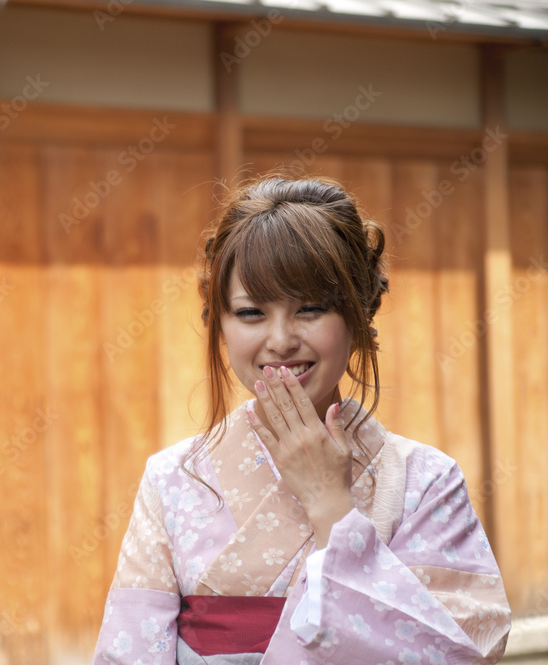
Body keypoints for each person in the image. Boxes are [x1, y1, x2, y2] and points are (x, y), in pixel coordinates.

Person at [92, 175, 511, 664]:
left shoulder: (426, 481)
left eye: (310, 308)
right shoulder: (173, 477)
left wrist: (330, 503)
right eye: (251, 313)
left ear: (358, 316)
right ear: (220, 323)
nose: (281, 339)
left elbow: (464, 651)